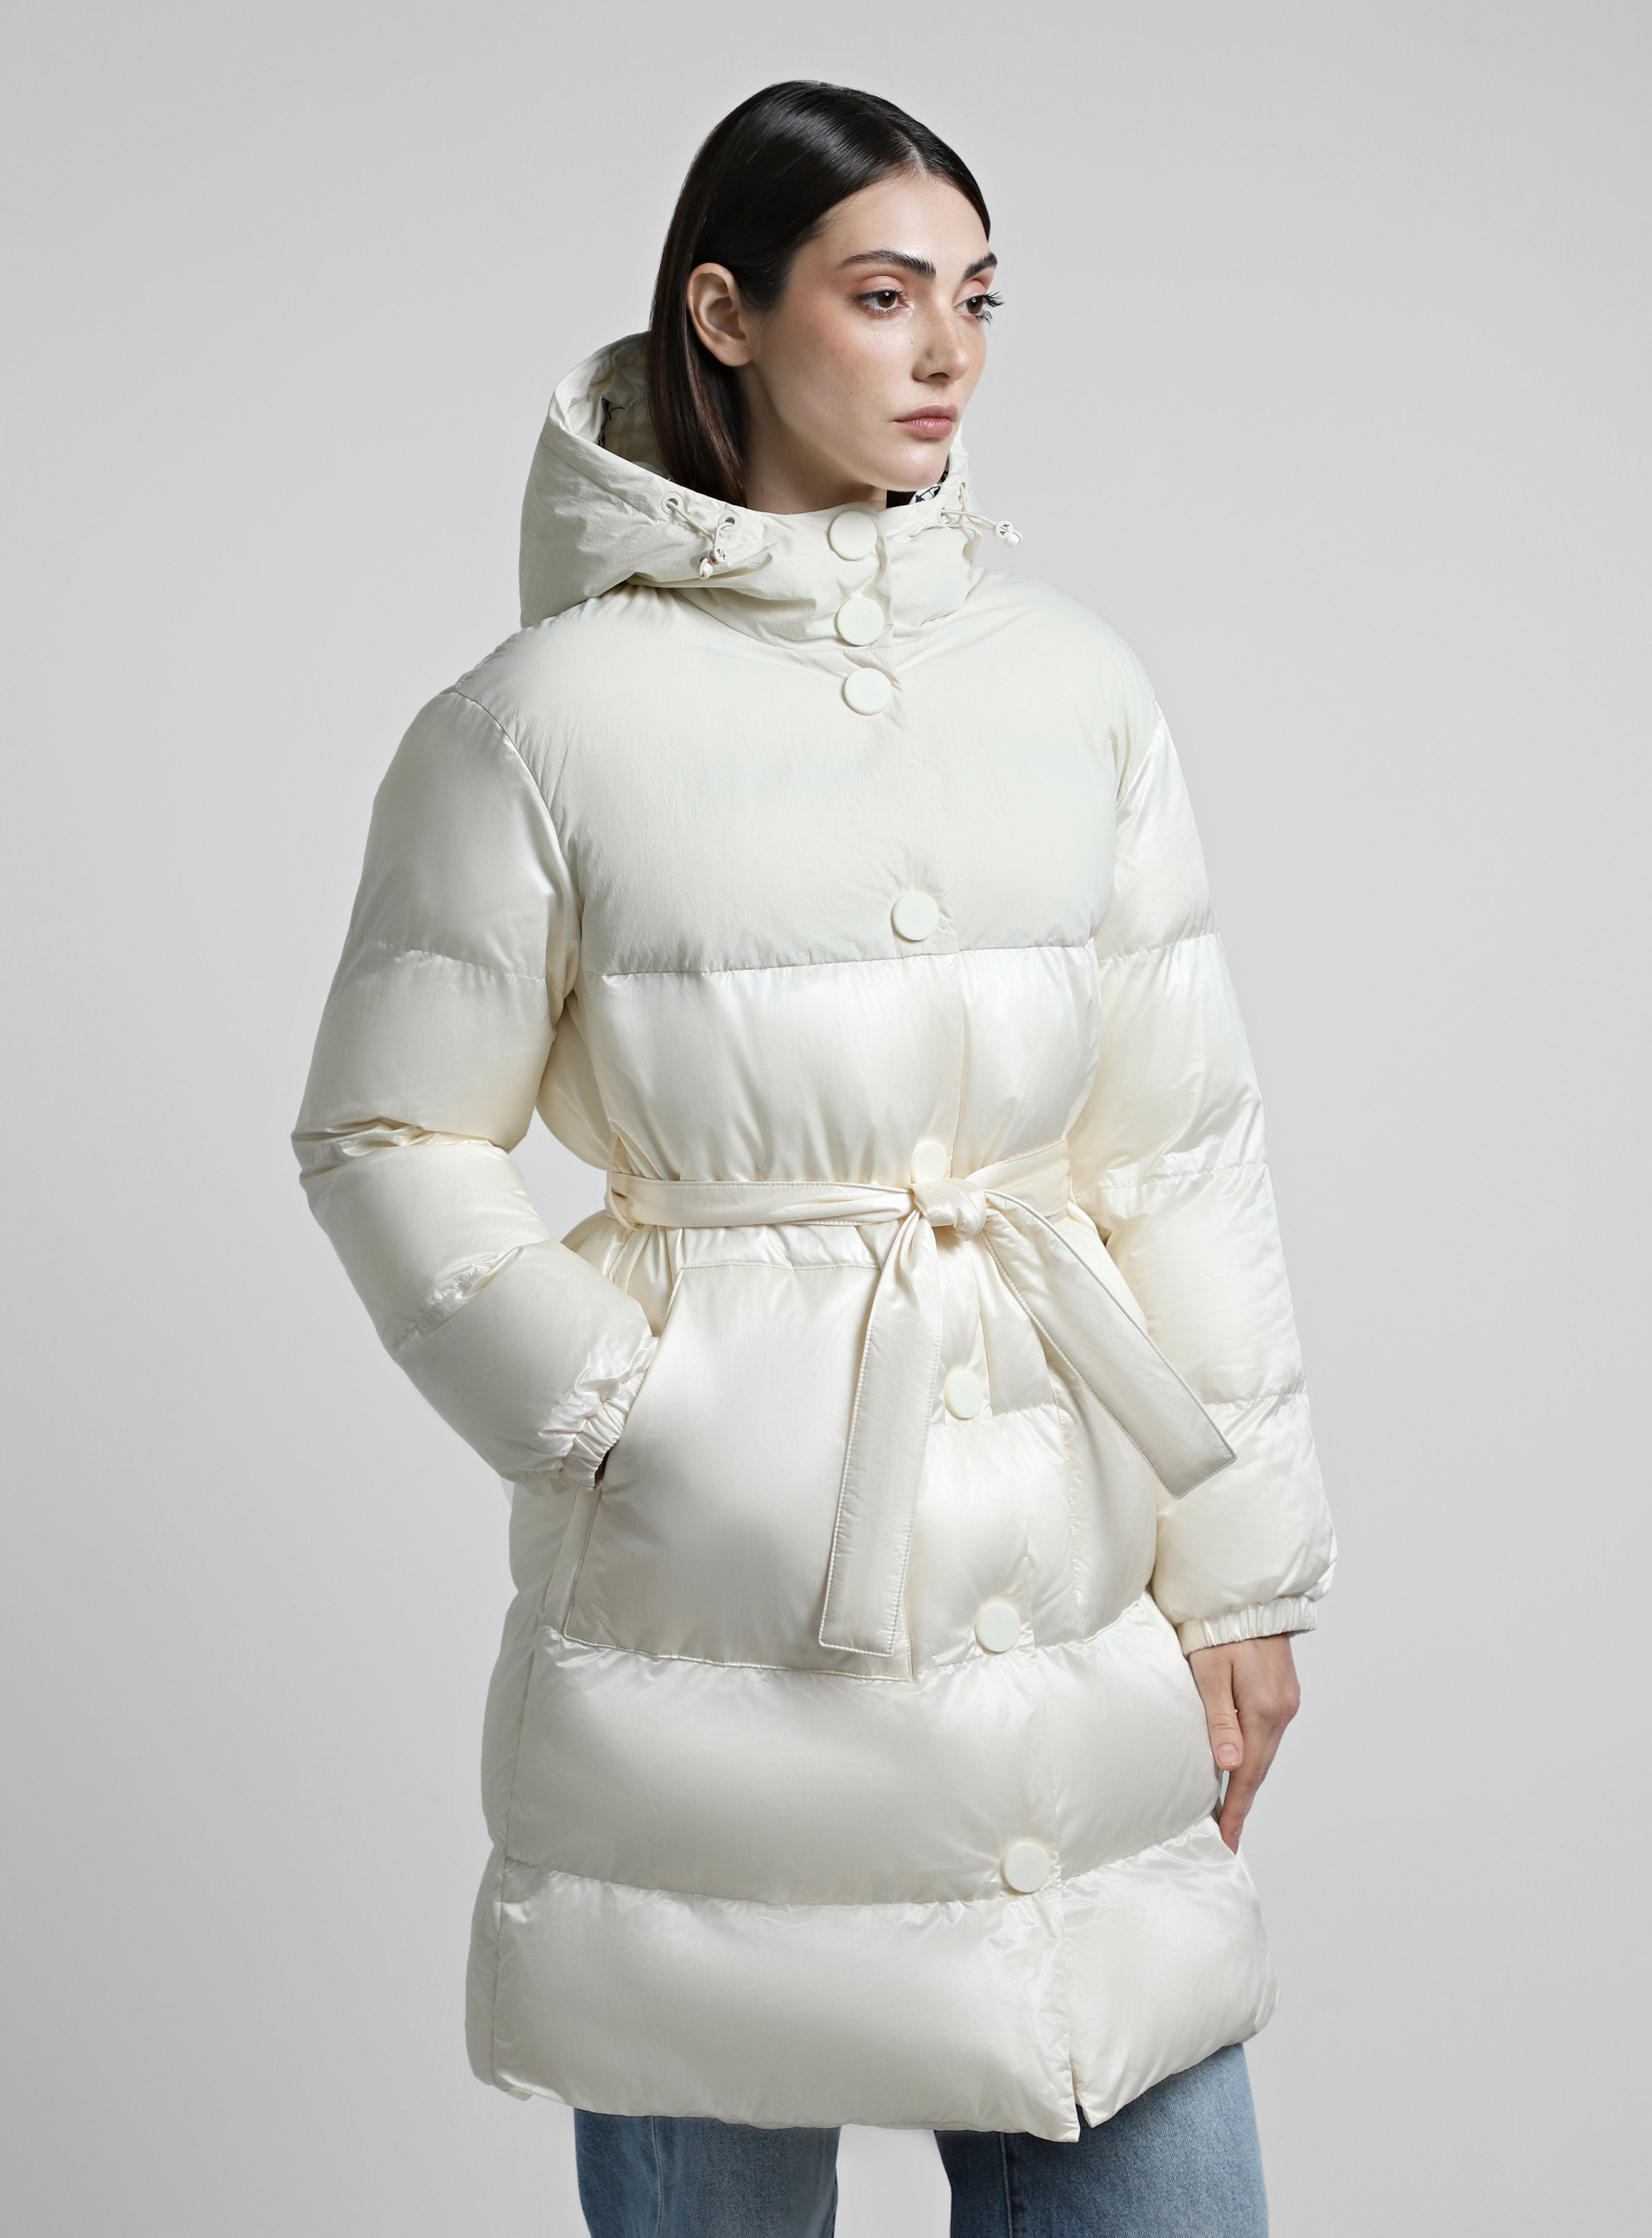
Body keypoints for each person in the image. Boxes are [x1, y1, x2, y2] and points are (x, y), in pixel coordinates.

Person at [293, 80, 1335, 2238]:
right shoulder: (540, 721)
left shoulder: (1076, 686)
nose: (948, 351)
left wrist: (1240, 1576)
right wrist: (628, 1411)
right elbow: (388, 1128)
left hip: (1061, 1589)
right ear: (726, 313)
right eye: (882, 296)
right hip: (719, 1613)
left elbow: (1179, 1150)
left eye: (977, 299)